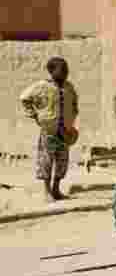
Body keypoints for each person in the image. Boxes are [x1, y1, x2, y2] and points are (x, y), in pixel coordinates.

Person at [19, 57, 79, 202]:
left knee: (62, 161)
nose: (65, 72)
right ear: (52, 71)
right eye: (62, 69)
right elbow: (24, 98)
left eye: (66, 69)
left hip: (65, 132)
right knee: (46, 161)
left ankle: (56, 189)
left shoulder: (69, 87)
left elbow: (74, 104)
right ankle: (47, 192)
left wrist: (71, 120)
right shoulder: (42, 86)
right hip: (49, 131)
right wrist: (35, 116)